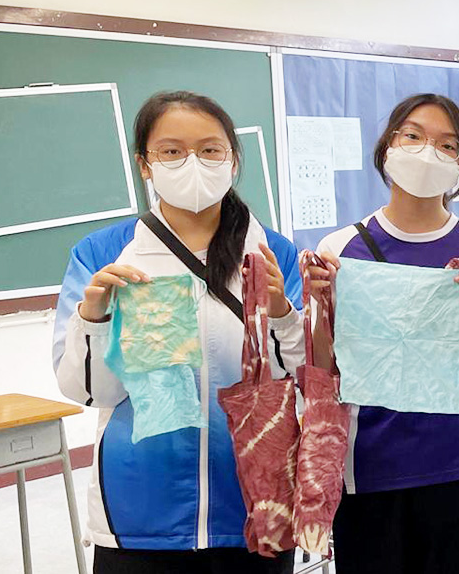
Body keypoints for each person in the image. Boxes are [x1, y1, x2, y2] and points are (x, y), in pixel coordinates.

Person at [52, 91, 305, 574]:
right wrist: (93, 317)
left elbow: (301, 376)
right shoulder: (103, 253)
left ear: (233, 160)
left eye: (210, 149)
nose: (192, 162)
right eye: (171, 151)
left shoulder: (273, 254)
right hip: (139, 512)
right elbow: (88, 392)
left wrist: (281, 313)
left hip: (256, 501)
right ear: (144, 164)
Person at [305, 94, 459, 574]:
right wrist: (324, 306)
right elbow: (323, 372)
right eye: (413, 136)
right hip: (370, 474)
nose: (427, 152)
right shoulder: (340, 248)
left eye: (447, 145)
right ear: (387, 146)